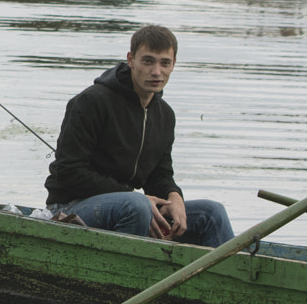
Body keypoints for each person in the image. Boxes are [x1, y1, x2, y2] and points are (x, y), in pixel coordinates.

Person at [43, 25, 234, 246]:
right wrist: (135, 197)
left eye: (165, 62)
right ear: (131, 60)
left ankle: (229, 279)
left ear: (173, 65)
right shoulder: (91, 102)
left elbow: (158, 176)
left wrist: (174, 196)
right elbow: (69, 171)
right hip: (70, 207)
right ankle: (126, 276)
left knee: (211, 213)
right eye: (148, 61)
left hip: (133, 206)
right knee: (136, 206)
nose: (156, 71)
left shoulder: (165, 115)